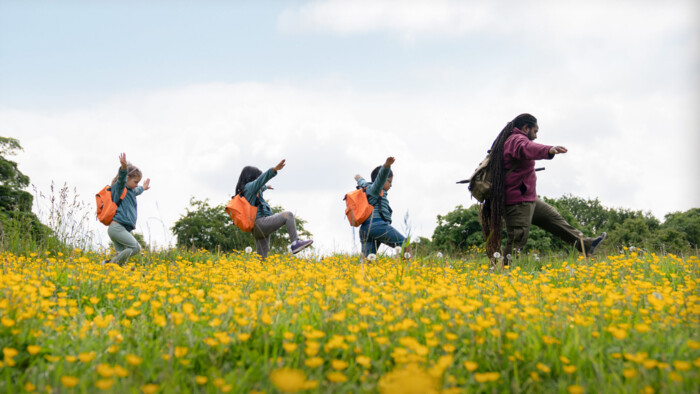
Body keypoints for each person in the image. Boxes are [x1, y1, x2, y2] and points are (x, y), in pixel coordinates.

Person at [480, 114, 606, 265]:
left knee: (554, 220)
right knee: (517, 239)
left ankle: (586, 245)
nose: (536, 135)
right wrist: (549, 150)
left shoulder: (513, 139)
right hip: (517, 201)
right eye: (535, 131)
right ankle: (502, 273)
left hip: (528, 198)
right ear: (526, 128)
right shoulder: (516, 140)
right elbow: (527, 148)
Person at [235, 159, 312, 260]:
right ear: (252, 177)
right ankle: (295, 243)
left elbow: (260, 187)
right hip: (261, 223)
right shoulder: (250, 187)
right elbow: (260, 181)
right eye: (257, 178)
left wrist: (266, 187)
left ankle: (259, 274)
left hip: (257, 229)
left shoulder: (246, 190)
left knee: (262, 259)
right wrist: (274, 170)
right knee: (288, 215)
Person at [354, 156, 407, 257]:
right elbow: (381, 177)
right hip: (377, 226)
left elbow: (362, 182)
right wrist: (387, 166)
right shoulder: (376, 188)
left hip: (365, 229)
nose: (391, 185)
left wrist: (358, 178)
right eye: (390, 182)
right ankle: (408, 268)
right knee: (405, 244)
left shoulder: (367, 187)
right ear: (382, 181)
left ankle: (364, 272)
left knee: (368, 261)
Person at [105, 153, 150, 266]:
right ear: (127, 178)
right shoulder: (120, 188)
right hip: (117, 227)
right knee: (135, 248)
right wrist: (124, 168)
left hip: (122, 229)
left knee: (120, 258)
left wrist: (143, 188)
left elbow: (137, 190)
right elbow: (121, 180)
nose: (136, 185)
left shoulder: (131, 191)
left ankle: (112, 271)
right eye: (135, 182)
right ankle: (108, 264)